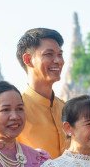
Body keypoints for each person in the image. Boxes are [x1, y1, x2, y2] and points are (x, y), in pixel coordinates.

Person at [16, 28, 66, 159]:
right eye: (49, 54)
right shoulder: (15, 112)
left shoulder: (67, 109)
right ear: (28, 60)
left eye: (60, 54)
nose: (58, 61)